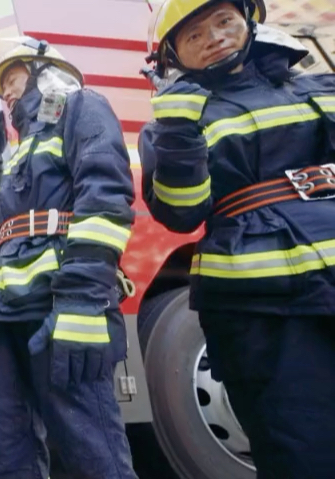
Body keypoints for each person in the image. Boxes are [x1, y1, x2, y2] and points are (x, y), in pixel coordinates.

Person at [139, 0, 335, 476]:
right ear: (172, 59)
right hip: (265, 314)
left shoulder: (321, 89)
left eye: (224, 20)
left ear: (248, 21)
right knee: (302, 451)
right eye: (195, 35)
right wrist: (180, 130)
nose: (215, 37)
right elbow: (182, 213)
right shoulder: (170, 128)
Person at [0, 37, 138, 478]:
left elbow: (106, 200)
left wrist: (80, 300)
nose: (7, 92)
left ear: (43, 70)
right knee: (7, 444)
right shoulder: (23, 146)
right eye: (2, 86)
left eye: (14, 77)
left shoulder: (82, 107)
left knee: (88, 446)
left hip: (58, 302)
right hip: (7, 311)